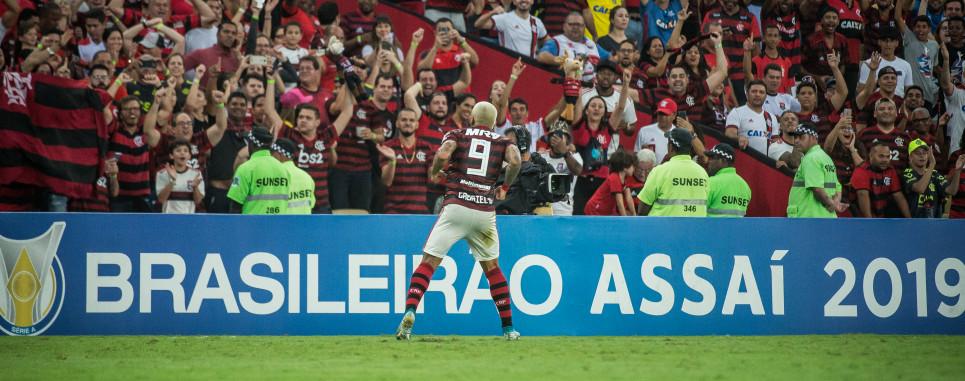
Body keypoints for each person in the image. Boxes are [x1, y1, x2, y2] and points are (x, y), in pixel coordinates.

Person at [395, 102, 523, 341]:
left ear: (472, 119)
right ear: (494, 123)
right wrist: (504, 187)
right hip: (484, 212)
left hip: (456, 207)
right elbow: (515, 160)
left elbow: (443, 154)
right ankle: (508, 329)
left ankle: (410, 314)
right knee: (492, 269)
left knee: (429, 263)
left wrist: (435, 172)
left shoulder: (457, 134)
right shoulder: (503, 141)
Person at [637, 128, 709, 216]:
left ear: (670, 147)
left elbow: (642, 209)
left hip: (664, 228)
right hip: (694, 228)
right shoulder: (702, 173)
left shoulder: (660, 171)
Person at [378, 108, 434, 214]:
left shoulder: (427, 147)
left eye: (412, 120)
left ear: (417, 124)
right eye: (404, 120)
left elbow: (432, 178)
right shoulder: (388, 147)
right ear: (397, 123)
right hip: (394, 211)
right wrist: (392, 160)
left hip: (420, 211)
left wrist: (439, 162)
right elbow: (386, 181)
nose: (408, 123)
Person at [786, 122, 849, 218]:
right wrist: (836, 203)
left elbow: (817, 188)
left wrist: (830, 204)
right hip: (825, 216)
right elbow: (837, 187)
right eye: (795, 137)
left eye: (801, 137)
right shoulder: (826, 158)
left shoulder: (811, 158)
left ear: (814, 138)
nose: (797, 141)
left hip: (809, 218)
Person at [227, 126, 290, 214]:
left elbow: (235, 205)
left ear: (251, 143)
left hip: (253, 225)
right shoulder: (284, 169)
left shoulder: (246, 169)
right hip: (278, 225)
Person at [903, 139, 965, 217]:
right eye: (917, 153)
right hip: (914, 222)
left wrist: (958, 171)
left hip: (934, 222)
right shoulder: (907, 173)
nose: (922, 156)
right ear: (910, 157)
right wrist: (932, 164)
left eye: (924, 153)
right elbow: (920, 188)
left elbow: (951, 191)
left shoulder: (934, 173)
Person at [852, 142, 913, 217]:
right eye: (881, 156)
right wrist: (869, 223)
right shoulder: (861, 170)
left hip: (880, 217)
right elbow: (862, 195)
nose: (885, 160)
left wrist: (909, 219)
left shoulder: (890, 170)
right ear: (871, 156)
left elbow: (898, 196)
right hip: (859, 219)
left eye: (888, 157)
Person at [474, 0, 549, 58]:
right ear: (514, 2)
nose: (523, 0)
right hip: (508, 64)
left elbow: (548, 41)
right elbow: (478, 24)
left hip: (529, 67)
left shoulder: (537, 22)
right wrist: (493, 12)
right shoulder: (504, 18)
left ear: (532, 1)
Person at [725, 80, 779, 153]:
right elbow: (729, 133)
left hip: (766, 162)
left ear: (766, 96)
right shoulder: (737, 112)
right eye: (754, 91)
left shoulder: (771, 117)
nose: (757, 94)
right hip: (745, 160)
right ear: (747, 94)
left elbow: (774, 141)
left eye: (761, 92)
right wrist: (739, 138)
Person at [539, 129, 583, 216]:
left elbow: (577, 171)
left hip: (564, 210)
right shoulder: (541, 157)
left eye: (562, 137)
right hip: (543, 209)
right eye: (555, 136)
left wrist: (565, 152)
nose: (558, 140)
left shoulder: (575, 157)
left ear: (568, 141)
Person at [155, 139, 204, 214]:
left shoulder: (196, 174)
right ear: (171, 155)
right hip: (168, 218)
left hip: (189, 218)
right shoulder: (162, 173)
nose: (182, 153)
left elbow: (198, 201)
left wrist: (195, 187)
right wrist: (172, 181)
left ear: (189, 156)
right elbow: (161, 199)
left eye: (185, 151)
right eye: (178, 150)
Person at [705, 143, 752, 217]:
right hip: (736, 228)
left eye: (712, 158)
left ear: (723, 161)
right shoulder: (745, 186)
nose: (708, 162)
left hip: (712, 228)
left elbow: (699, 212)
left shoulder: (711, 182)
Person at [584, 150, 636, 216]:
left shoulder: (625, 179)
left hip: (605, 210)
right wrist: (624, 219)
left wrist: (634, 215)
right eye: (632, 166)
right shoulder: (614, 178)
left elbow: (629, 198)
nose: (634, 168)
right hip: (595, 208)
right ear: (624, 168)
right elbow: (620, 202)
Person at [271, 138, 315, 215]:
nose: (270, 157)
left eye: (272, 153)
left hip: (282, 224)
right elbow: (311, 204)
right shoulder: (307, 177)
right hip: (304, 224)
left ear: (279, 155)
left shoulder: (274, 176)